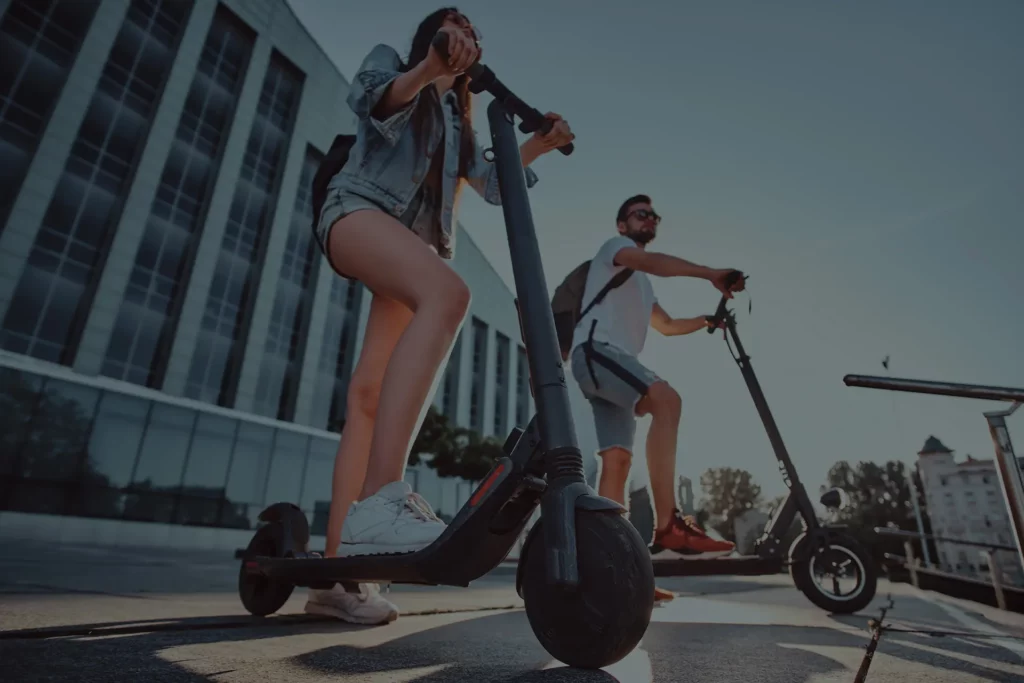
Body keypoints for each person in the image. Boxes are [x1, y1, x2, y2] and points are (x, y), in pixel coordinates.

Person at [304, 8, 574, 625]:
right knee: (451, 296)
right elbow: (371, 100)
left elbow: (493, 183)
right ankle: (381, 499)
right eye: (454, 24)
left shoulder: (458, 117)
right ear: (434, 35)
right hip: (356, 213)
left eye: (473, 29)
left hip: (411, 245)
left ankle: (338, 576)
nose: (466, 33)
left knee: (367, 396)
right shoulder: (396, 65)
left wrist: (541, 143)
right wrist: (430, 64)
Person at [568, 194, 743, 605]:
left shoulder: (641, 286)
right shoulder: (615, 251)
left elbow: (665, 326)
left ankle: (613, 570)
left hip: (611, 365)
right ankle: (669, 525)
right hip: (597, 351)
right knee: (667, 399)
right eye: (640, 214)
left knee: (617, 462)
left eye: (653, 215)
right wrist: (710, 273)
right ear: (622, 225)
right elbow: (655, 263)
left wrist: (706, 321)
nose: (649, 219)